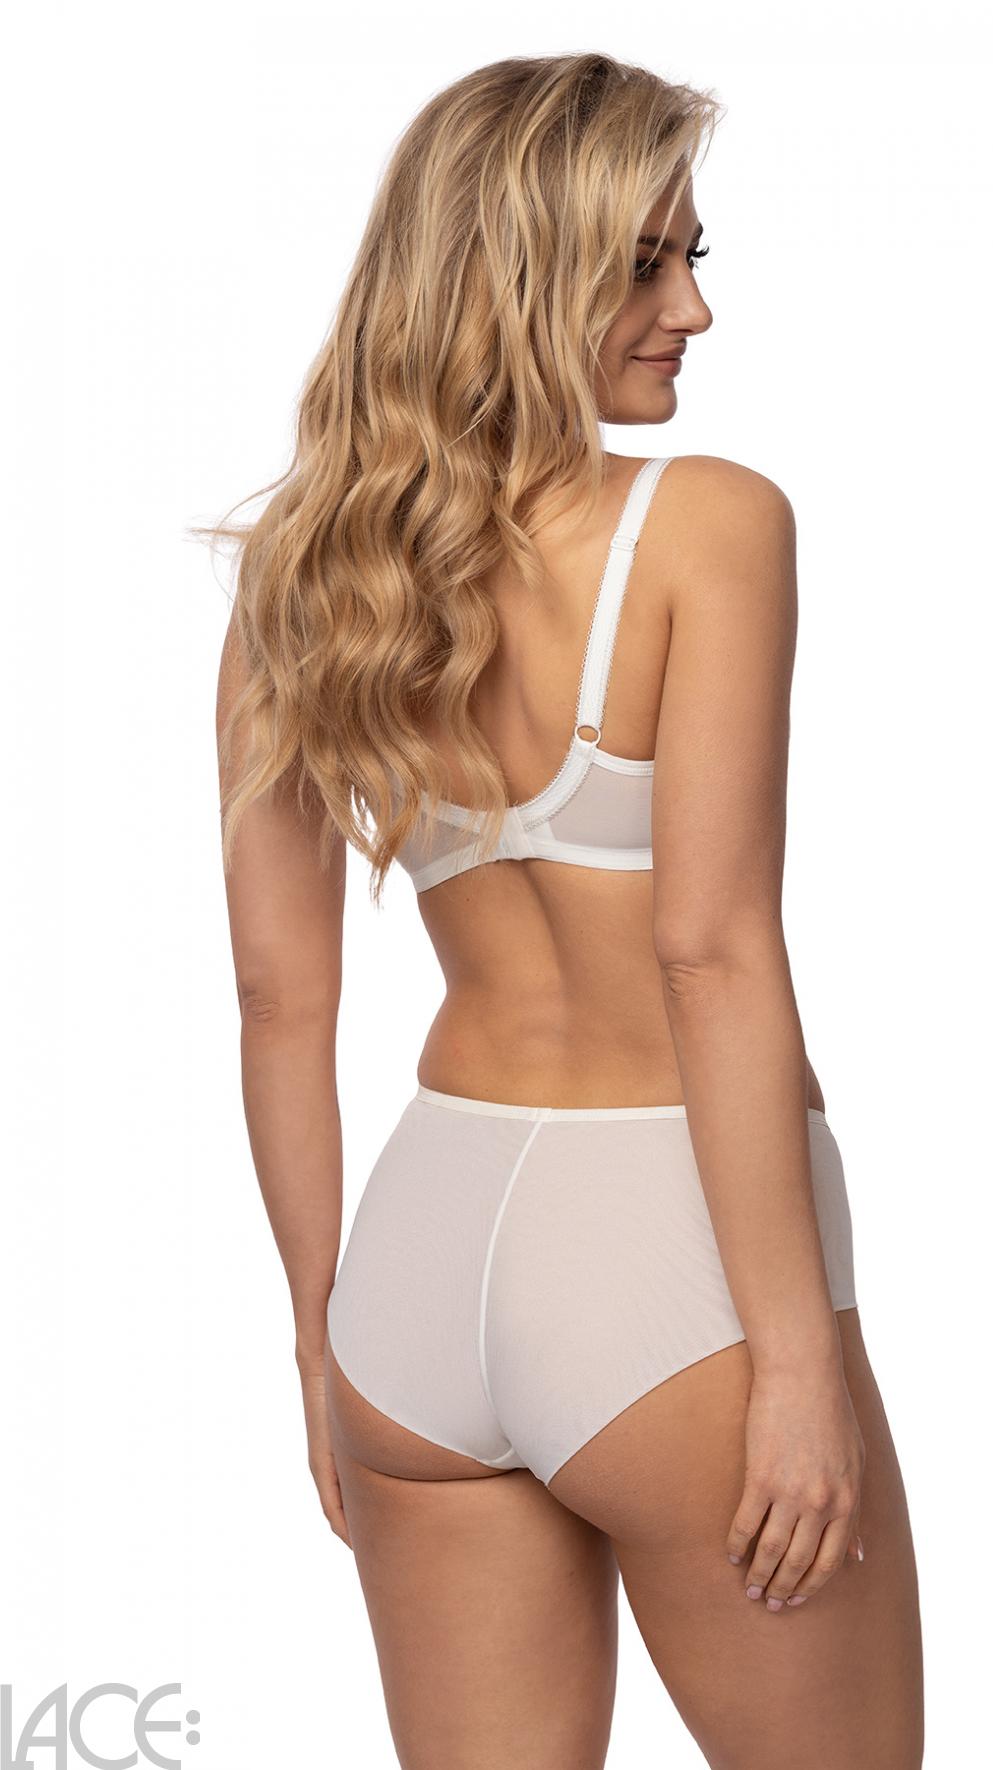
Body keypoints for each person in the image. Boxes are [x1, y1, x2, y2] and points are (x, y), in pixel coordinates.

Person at [211, 51, 924, 1770]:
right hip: (672, 1262)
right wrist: (794, 1365)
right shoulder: (708, 525)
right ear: (522, 273)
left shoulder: (305, 576)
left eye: (694, 255)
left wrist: (319, 1338)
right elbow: (710, 952)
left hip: (415, 1273)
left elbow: (278, 1000)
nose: (693, 309)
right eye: (644, 264)